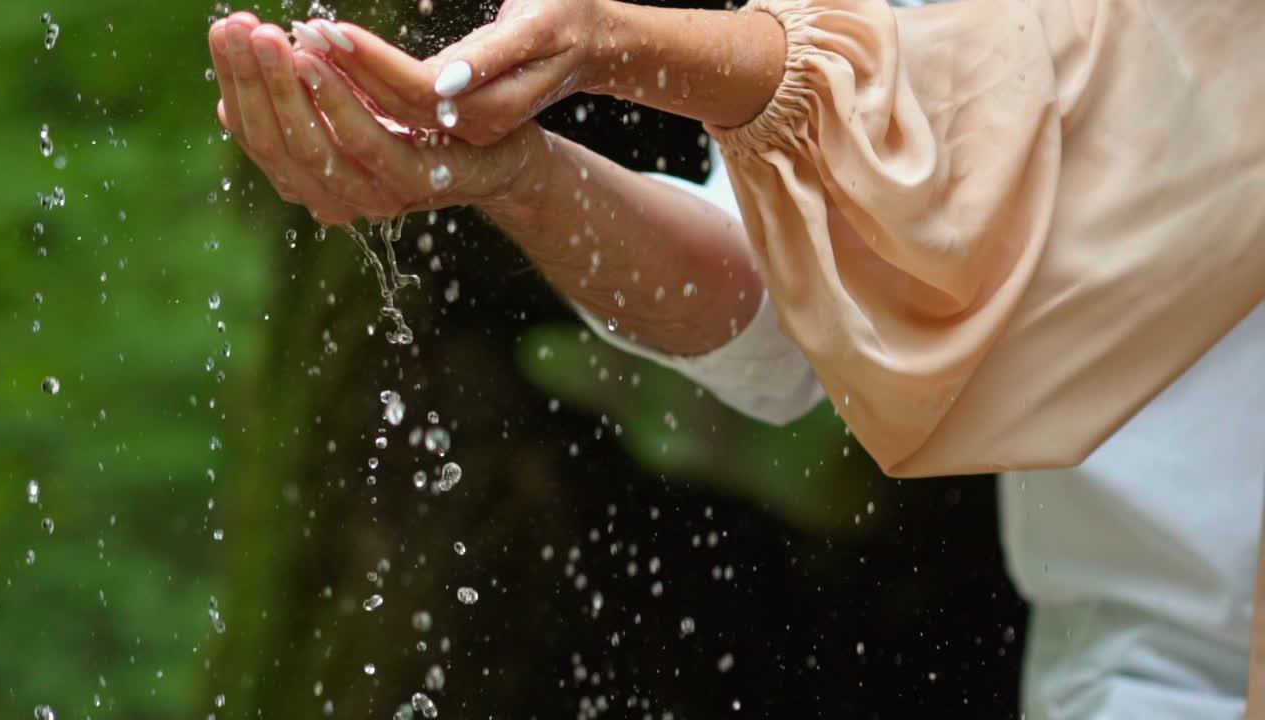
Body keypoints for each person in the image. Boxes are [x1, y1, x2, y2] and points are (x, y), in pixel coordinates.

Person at [206, 1, 1265, 717]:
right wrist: (517, 178)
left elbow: (1127, 89)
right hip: (1141, 675)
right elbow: (786, 292)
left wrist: (621, 42)